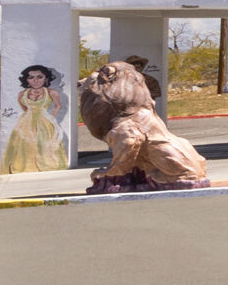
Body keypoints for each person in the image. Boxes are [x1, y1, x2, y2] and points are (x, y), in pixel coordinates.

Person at [77, 61, 208, 192]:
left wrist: (111, 171)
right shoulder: (145, 113)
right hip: (189, 166)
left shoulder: (129, 121)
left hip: (175, 173)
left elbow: (130, 141)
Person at [2, 64, 70, 173]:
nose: (35, 80)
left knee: (45, 143)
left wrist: (50, 117)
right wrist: (29, 115)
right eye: (31, 77)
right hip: (26, 121)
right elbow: (23, 107)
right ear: (26, 80)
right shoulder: (22, 94)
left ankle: (47, 164)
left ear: (46, 78)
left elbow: (58, 106)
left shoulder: (51, 92)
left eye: (39, 77)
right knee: (24, 142)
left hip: (45, 121)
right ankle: (25, 166)